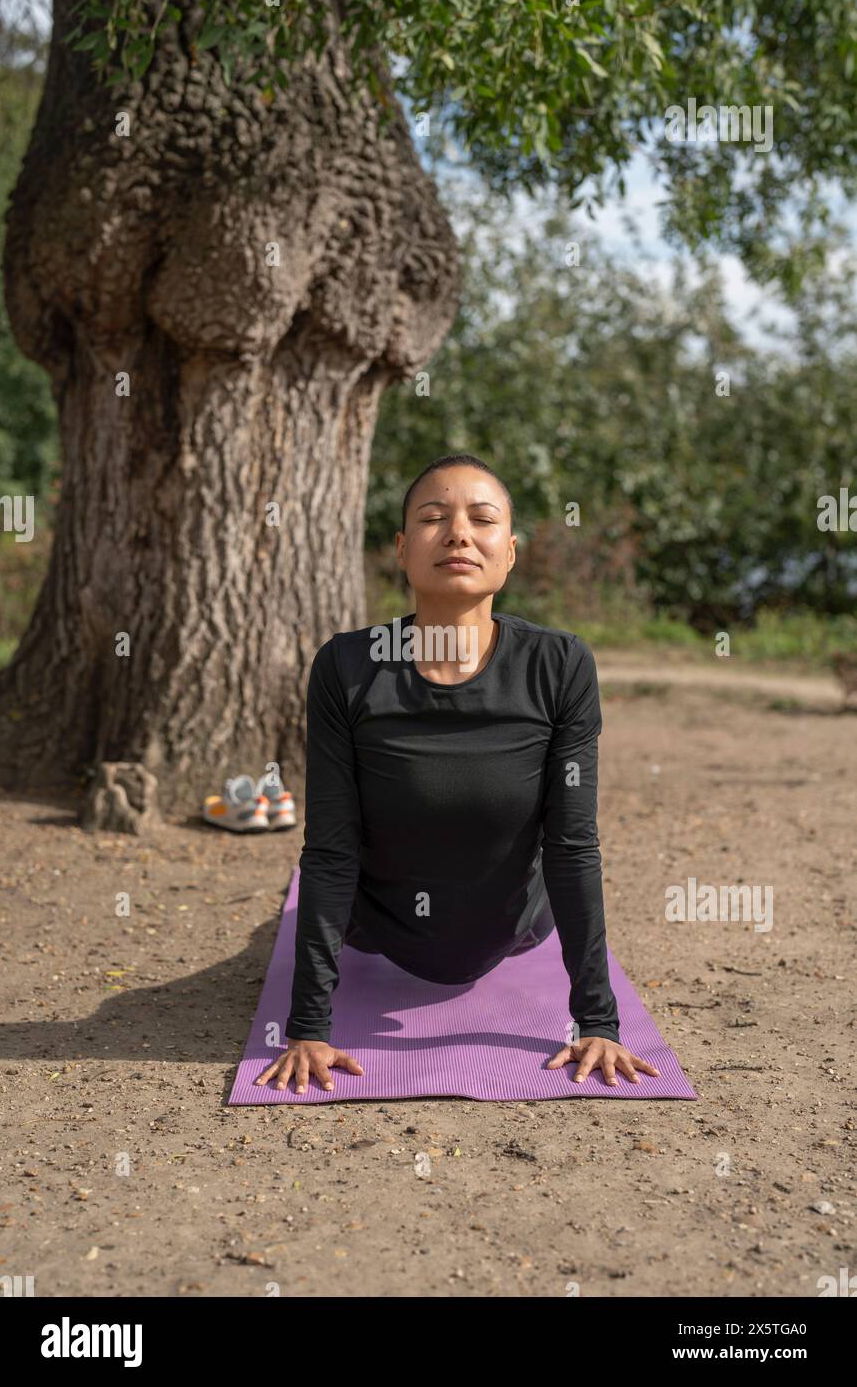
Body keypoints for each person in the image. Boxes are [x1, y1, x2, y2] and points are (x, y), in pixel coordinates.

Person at [255, 454, 660, 1094]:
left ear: (510, 553)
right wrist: (309, 1027)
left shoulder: (559, 665)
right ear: (401, 549)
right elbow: (330, 849)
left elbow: (574, 843)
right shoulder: (346, 667)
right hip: (377, 926)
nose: (458, 534)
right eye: (433, 518)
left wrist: (598, 1022)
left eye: (482, 519)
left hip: (517, 924)